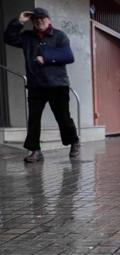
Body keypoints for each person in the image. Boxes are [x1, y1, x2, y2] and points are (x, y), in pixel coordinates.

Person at [3, 8, 80, 163]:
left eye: (43, 19)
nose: (40, 21)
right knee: (33, 119)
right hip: (36, 85)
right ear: (32, 21)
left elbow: (68, 56)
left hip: (57, 85)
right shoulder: (27, 37)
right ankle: (35, 151)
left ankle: (74, 142)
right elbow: (8, 38)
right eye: (36, 19)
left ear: (49, 19)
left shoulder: (59, 36)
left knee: (63, 118)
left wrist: (46, 58)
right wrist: (19, 21)